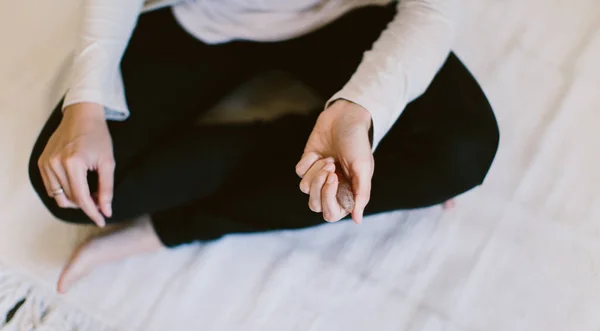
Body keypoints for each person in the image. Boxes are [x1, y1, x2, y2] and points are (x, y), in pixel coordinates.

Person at [28, 0, 499, 293]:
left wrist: (362, 110)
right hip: (206, 16)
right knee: (74, 185)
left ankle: (178, 225)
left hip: (348, 13)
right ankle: (324, 149)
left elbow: (432, 9)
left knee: (460, 150)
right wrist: (86, 101)